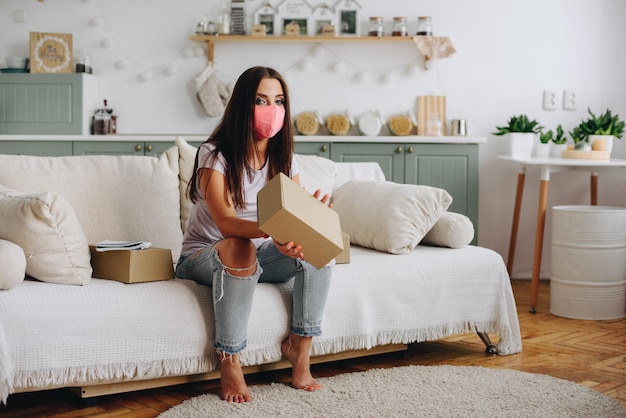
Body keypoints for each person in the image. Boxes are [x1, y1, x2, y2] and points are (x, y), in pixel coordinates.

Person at [175, 66, 334, 403]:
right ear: (243, 105)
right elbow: (227, 224)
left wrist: (311, 220)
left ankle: (299, 349)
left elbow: (294, 217)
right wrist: (276, 229)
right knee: (241, 245)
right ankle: (230, 361)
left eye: (278, 101)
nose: (271, 109)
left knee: (319, 248)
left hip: (263, 252)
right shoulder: (214, 154)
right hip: (206, 256)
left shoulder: (284, 159)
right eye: (261, 100)